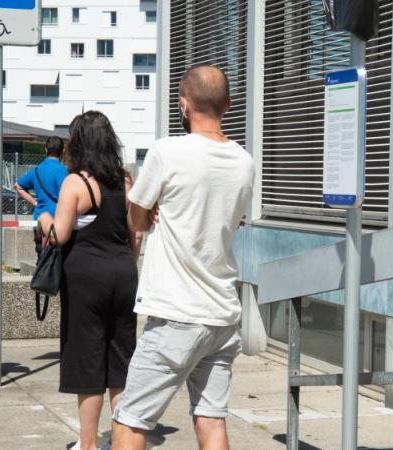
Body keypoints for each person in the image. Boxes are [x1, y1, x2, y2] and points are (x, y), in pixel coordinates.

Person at [111, 65, 254, 450]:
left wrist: (157, 207)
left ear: (184, 103)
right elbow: (230, 218)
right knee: (211, 420)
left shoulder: (166, 151)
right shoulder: (244, 161)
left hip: (176, 313)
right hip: (222, 314)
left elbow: (137, 219)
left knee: (130, 421)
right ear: (228, 105)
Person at [38, 112, 141, 450]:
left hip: (85, 279)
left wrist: (43, 219)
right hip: (124, 273)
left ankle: (88, 444)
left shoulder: (76, 183)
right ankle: (122, 439)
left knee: (87, 360)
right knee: (120, 359)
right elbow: (135, 236)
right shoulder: (124, 182)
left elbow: (60, 234)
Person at [15, 136, 69, 256]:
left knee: (42, 258)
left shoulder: (36, 170)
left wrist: (34, 202)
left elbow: (18, 186)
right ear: (63, 150)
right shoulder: (64, 171)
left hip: (39, 220)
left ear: (46, 150)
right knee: (59, 259)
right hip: (59, 221)